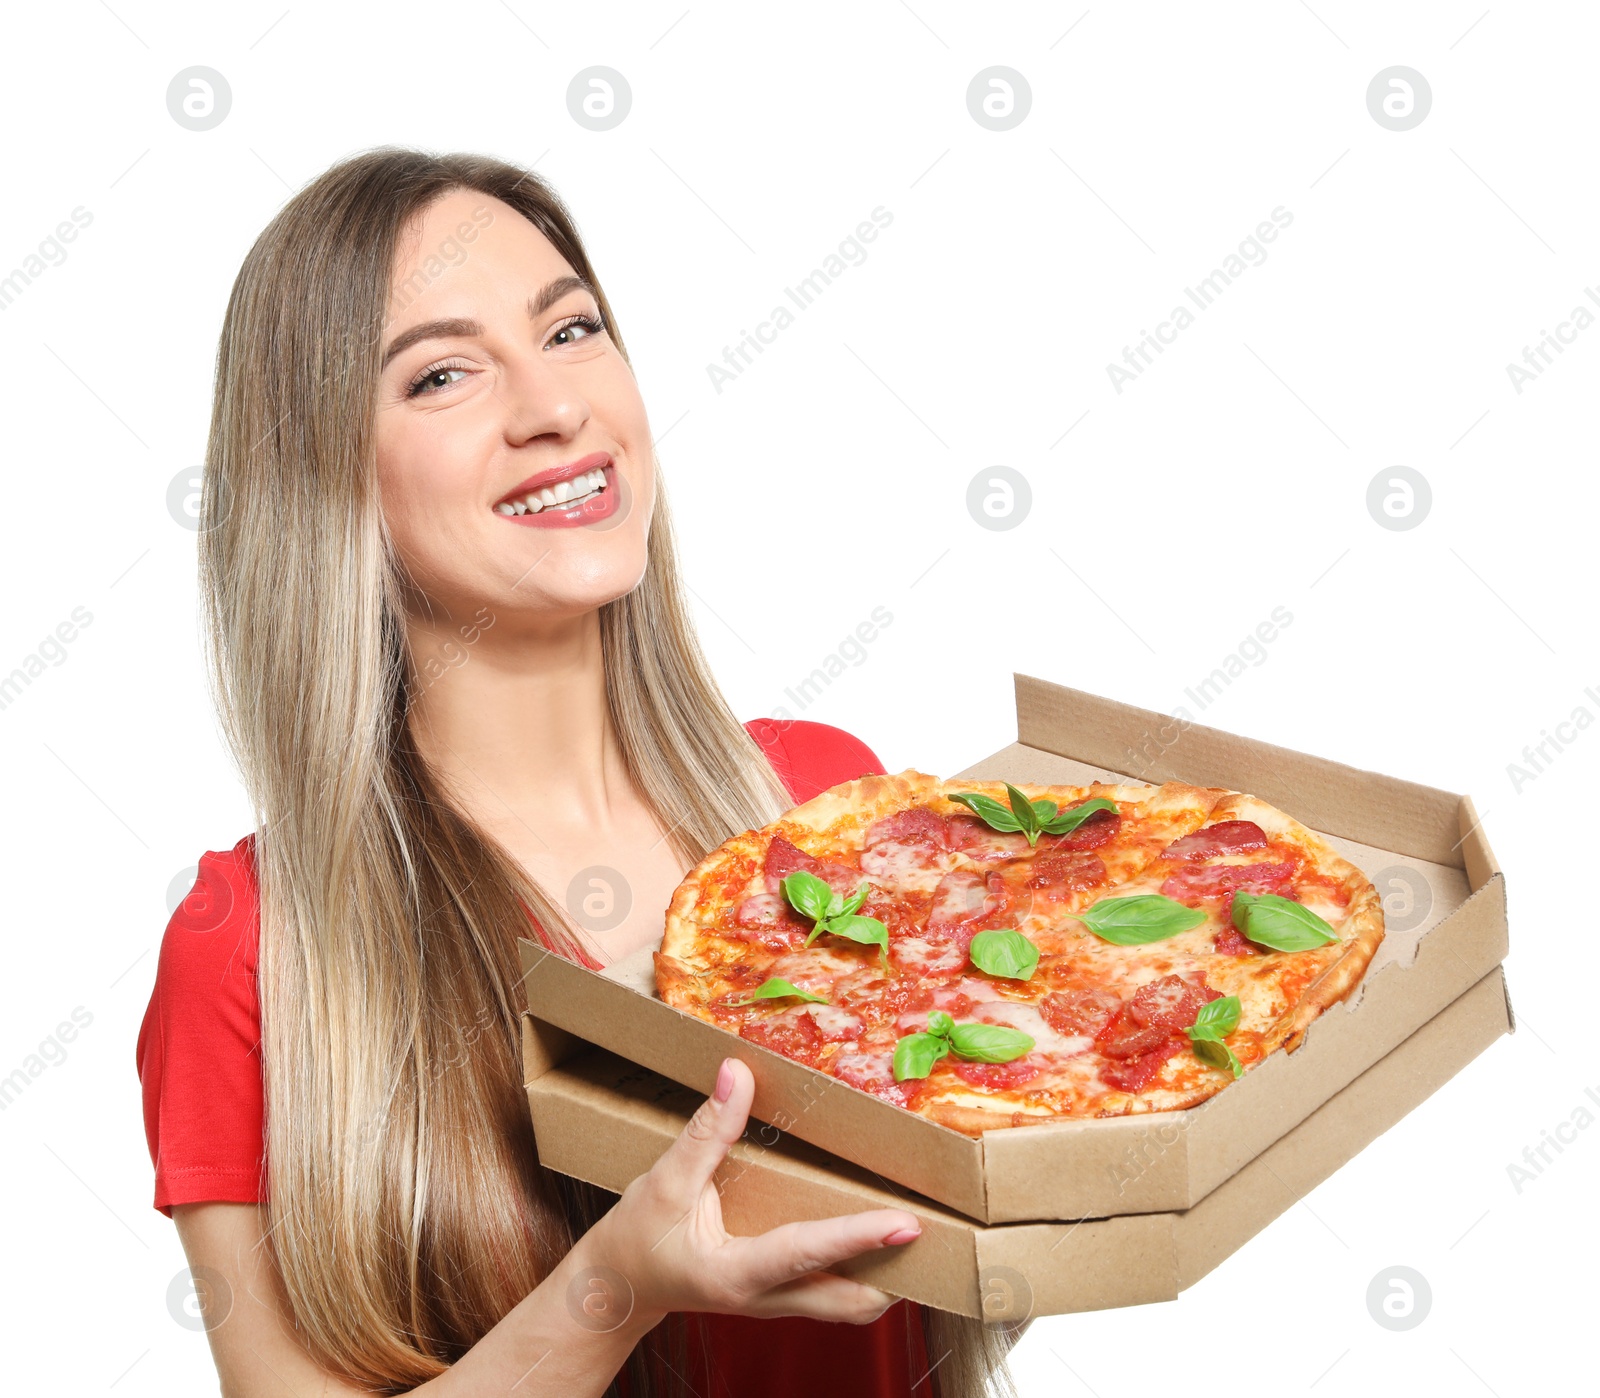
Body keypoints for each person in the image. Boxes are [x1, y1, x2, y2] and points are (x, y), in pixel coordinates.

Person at [135, 147, 1019, 1397]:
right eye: (441, 373)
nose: (553, 406)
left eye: (571, 329)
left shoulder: (823, 805)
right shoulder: (251, 948)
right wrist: (615, 1290)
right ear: (326, 483)